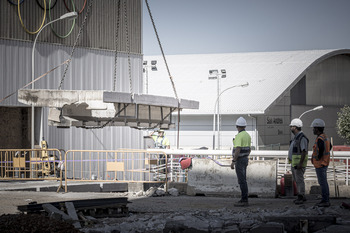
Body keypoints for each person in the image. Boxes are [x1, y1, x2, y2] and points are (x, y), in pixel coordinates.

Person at [311, 119, 332, 207]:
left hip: (320, 164)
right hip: (324, 163)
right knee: (324, 182)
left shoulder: (320, 138)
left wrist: (319, 157)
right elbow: (330, 146)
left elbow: (321, 149)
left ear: (317, 128)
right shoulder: (325, 137)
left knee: (322, 183)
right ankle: (325, 199)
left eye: (314, 128)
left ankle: (325, 200)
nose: (313, 130)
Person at [231, 117, 251, 207]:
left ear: (237, 126)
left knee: (241, 180)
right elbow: (249, 149)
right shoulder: (247, 135)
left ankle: (244, 200)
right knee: (243, 180)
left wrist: (233, 161)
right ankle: (244, 198)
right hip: (245, 159)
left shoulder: (239, 136)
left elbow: (237, 149)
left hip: (239, 160)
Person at [288, 118, 309, 205]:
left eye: (292, 126)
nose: (290, 128)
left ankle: (301, 196)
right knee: (297, 180)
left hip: (299, 165)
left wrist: (300, 163)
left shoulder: (302, 138)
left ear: (295, 127)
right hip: (295, 164)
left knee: (299, 180)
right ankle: (301, 196)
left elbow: (304, 151)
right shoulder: (296, 138)